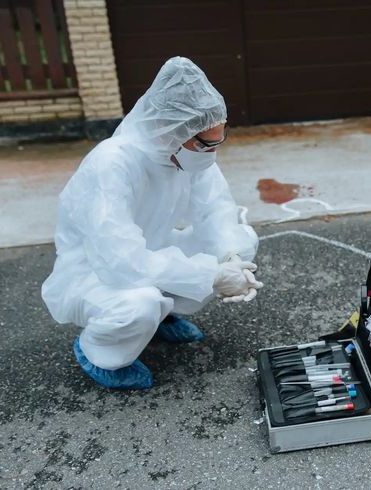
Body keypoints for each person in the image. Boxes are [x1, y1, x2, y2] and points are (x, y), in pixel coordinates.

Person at [42, 57, 261, 390]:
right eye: (205, 143)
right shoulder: (112, 163)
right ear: (172, 131)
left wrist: (230, 259)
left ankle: (163, 315)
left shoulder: (189, 158)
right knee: (139, 303)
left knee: (242, 241)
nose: (211, 152)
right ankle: (98, 350)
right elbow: (121, 261)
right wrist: (209, 276)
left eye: (220, 138)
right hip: (95, 272)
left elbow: (216, 210)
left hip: (151, 252)